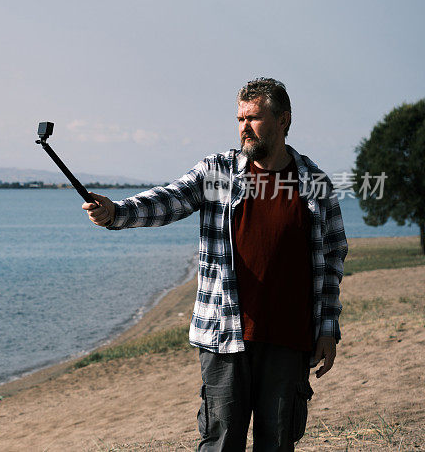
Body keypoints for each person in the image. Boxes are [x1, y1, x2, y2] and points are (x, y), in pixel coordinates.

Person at [83, 78, 348, 451]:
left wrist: (327, 328)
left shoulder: (314, 182)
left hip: (290, 340)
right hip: (225, 337)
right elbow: (168, 200)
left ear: (283, 120)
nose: (244, 127)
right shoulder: (217, 172)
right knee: (221, 442)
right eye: (240, 118)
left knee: (278, 442)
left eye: (254, 118)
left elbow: (334, 256)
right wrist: (116, 212)